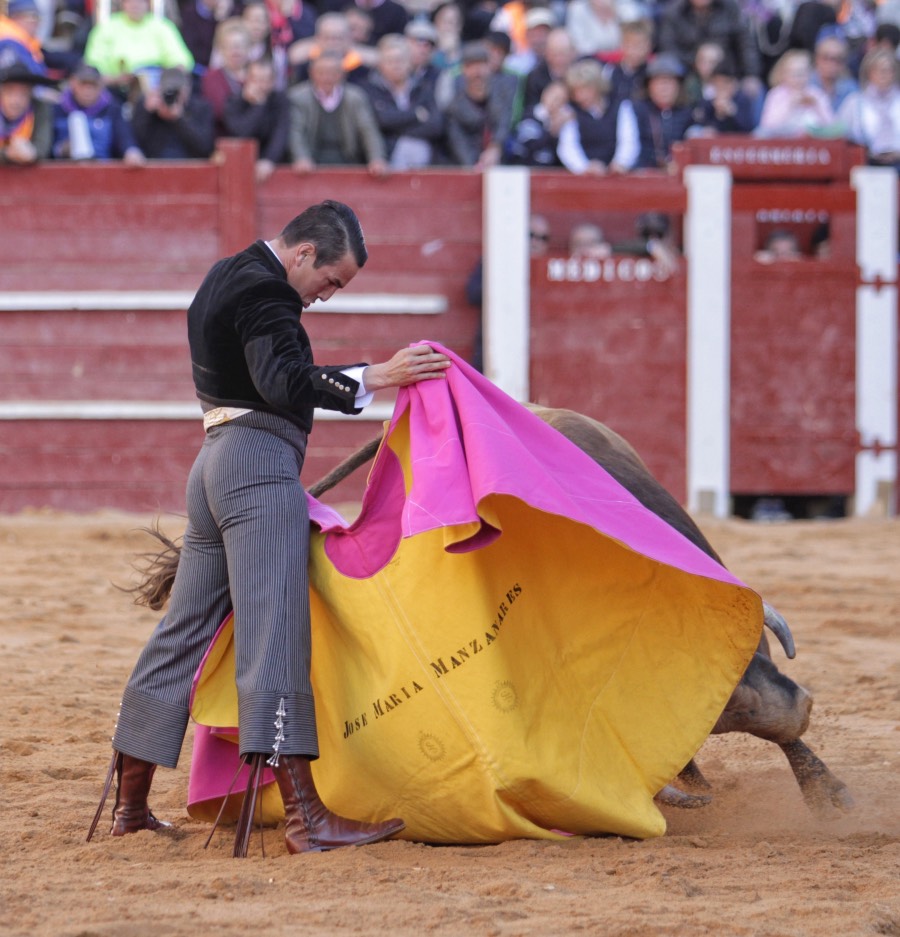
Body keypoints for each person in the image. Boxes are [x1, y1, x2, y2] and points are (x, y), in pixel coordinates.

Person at [85, 200, 452, 857]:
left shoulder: (224, 276)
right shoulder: (267, 291)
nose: (327, 297)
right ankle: (309, 819)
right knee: (274, 635)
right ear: (305, 253)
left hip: (213, 465)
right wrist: (377, 377)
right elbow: (281, 380)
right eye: (331, 280)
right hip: (256, 468)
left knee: (181, 633)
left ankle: (130, 806)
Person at [288, 49, 387, 174]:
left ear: (342, 74)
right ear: (311, 73)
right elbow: (295, 132)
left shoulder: (355, 97)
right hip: (311, 161)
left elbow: (368, 130)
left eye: (333, 73)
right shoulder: (298, 97)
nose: (327, 78)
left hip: (348, 160)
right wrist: (301, 158)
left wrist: (377, 159)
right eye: (321, 73)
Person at [82, 0, 194, 102]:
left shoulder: (162, 26)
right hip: (118, 89)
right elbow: (92, 67)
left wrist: (167, 78)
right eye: (130, 1)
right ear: (123, 3)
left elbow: (181, 61)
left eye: (140, 1)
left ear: (148, 4)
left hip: (158, 87)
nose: (135, 5)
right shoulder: (106, 28)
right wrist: (116, 79)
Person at [362, 33, 443, 169]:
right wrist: (416, 115)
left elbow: (436, 125)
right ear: (380, 64)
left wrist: (396, 129)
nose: (396, 66)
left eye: (400, 60)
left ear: (409, 62)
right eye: (391, 61)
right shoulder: (369, 89)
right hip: (387, 161)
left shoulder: (423, 88)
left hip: (427, 160)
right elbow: (381, 121)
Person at [557, 55, 639, 174]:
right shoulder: (571, 112)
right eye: (576, 91)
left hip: (618, 176)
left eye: (585, 89)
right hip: (584, 179)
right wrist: (585, 167)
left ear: (597, 86)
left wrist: (620, 163)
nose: (580, 96)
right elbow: (567, 147)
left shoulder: (620, 107)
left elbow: (629, 140)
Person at [51, 61, 146, 163]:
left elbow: (124, 137)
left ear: (101, 85)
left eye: (93, 85)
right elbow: (45, 145)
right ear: (73, 83)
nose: (88, 90)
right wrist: (62, 149)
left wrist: (131, 151)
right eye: (83, 84)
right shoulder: (57, 109)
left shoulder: (112, 109)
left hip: (101, 169)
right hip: (64, 170)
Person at [222, 57, 288, 180]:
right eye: (255, 79)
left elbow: (281, 132)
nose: (259, 85)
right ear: (246, 79)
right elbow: (241, 133)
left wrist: (269, 159)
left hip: (274, 164)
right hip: (240, 164)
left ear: (272, 82)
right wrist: (259, 105)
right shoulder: (234, 101)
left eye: (264, 80)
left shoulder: (280, 100)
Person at [131, 65, 215, 159]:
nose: (172, 96)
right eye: (168, 91)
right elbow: (133, 145)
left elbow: (205, 148)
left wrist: (179, 118)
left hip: (189, 166)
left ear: (187, 90)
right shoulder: (148, 106)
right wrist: (145, 112)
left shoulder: (201, 108)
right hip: (154, 165)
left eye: (176, 91)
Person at [837, 46, 900, 169]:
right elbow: (839, 133)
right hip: (866, 165)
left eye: (888, 70)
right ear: (868, 72)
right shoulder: (855, 102)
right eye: (879, 70)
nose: (884, 74)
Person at [755, 48, 835, 138]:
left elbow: (831, 127)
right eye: (794, 74)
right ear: (783, 74)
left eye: (802, 73)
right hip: (782, 144)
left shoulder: (816, 94)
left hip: (812, 145)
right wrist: (789, 105)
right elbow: (767, 125)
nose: (798, 79)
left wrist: (817, 105)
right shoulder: (776, 94)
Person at [201, 17, 251, 136]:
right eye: (231, 46)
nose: (236, 51)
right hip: (223, 139)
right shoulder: (212, 77)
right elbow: (219, 111)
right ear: (221, 49)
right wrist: (246, 98)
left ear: (249, 48)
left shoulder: (256, 75)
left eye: (240, 46)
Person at [0, 58, 53, 164]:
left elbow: (42, 147)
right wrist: (7, 154)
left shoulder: (40, 109)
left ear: (30, 95)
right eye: (10, 92)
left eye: (22, 94)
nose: (16, 100)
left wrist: (32, 153)